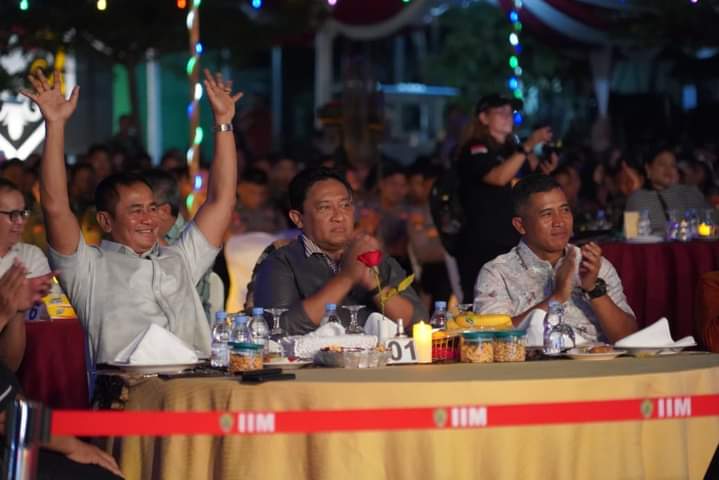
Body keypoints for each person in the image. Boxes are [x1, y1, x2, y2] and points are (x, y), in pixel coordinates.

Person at [22, 69, 242, 364]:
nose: (149, 219)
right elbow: (56, 206)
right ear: (105, 221)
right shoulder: (87, 268)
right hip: (129, 388)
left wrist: (223, 123)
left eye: (152, 208)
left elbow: (222, 201)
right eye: (136, 211)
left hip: (196, 382)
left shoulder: (179, 258)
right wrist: (55, 125)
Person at [253, 167, 427, 334]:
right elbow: (278, 329)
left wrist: (374, 285)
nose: (339, 217)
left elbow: (419, 323)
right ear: (298, 218)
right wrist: (347, 277)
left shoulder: (370, 255)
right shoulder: (280, 261)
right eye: (325, 207)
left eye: (345, 205)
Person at [474, 174, 637, 343]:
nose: (560, 222)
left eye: (565, 210)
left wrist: (593, 289)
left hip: (597, 359)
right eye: (547, 214)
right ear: (520, 225)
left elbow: (629, 338)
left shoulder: (592, 265)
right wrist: (557, 297)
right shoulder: (497, 273)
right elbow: (489, 340)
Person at [455, 94, 558, 302]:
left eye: (511, 112)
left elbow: (523, 188)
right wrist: (528, 145)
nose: (508, 117)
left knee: (518, 300)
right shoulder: (476, 148)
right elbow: (498, 177)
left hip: (512, 238)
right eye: (501, 112)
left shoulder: (512, 149)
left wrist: (542, 171)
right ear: (484, 117)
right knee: (482, 300)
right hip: (482, 241)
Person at [143, 168, 214, 323]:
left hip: (188, 331)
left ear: (163, 211)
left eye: (142, 209)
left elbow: (183, 300)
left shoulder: (193, 238)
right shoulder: (137, 237)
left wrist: (153, 237)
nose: (138, 218)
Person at [626, 146, 710, 235]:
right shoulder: (636, 199)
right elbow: (631, 234)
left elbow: (710, 222)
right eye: (662, 164)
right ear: (648, 169)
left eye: (673, 165)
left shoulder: (689, 193)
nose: (668, 169)